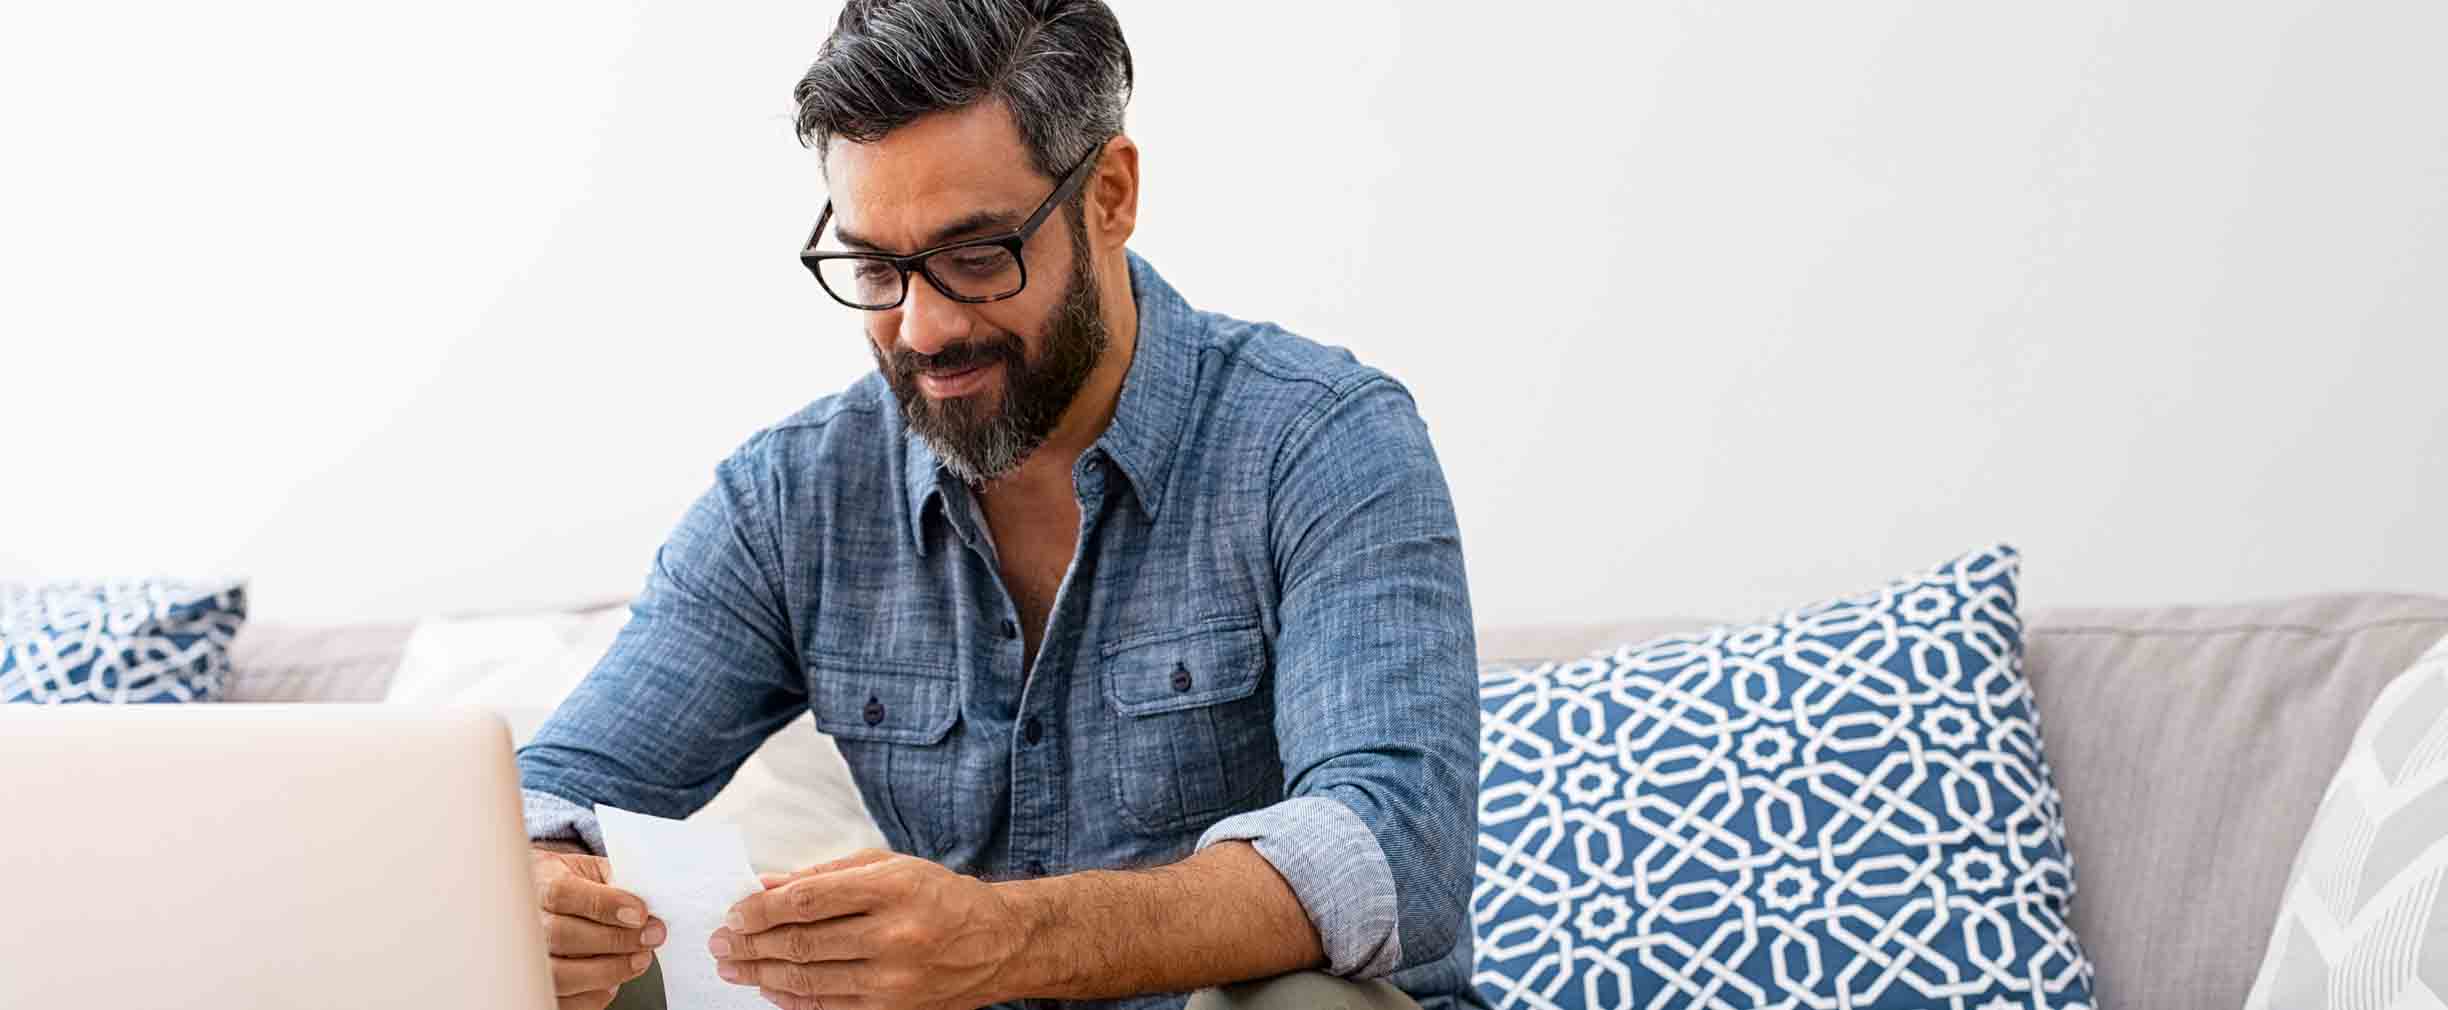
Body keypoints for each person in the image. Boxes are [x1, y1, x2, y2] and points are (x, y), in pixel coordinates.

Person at [513, 3, 1479, 1009]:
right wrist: (544, 888)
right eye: (878, 268)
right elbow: (557, 786)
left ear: (1108, 195)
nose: (923, 328)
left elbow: (1394, 840)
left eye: (977, 257)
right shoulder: (793, 496)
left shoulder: (1321, 440)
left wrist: (1009, 937)